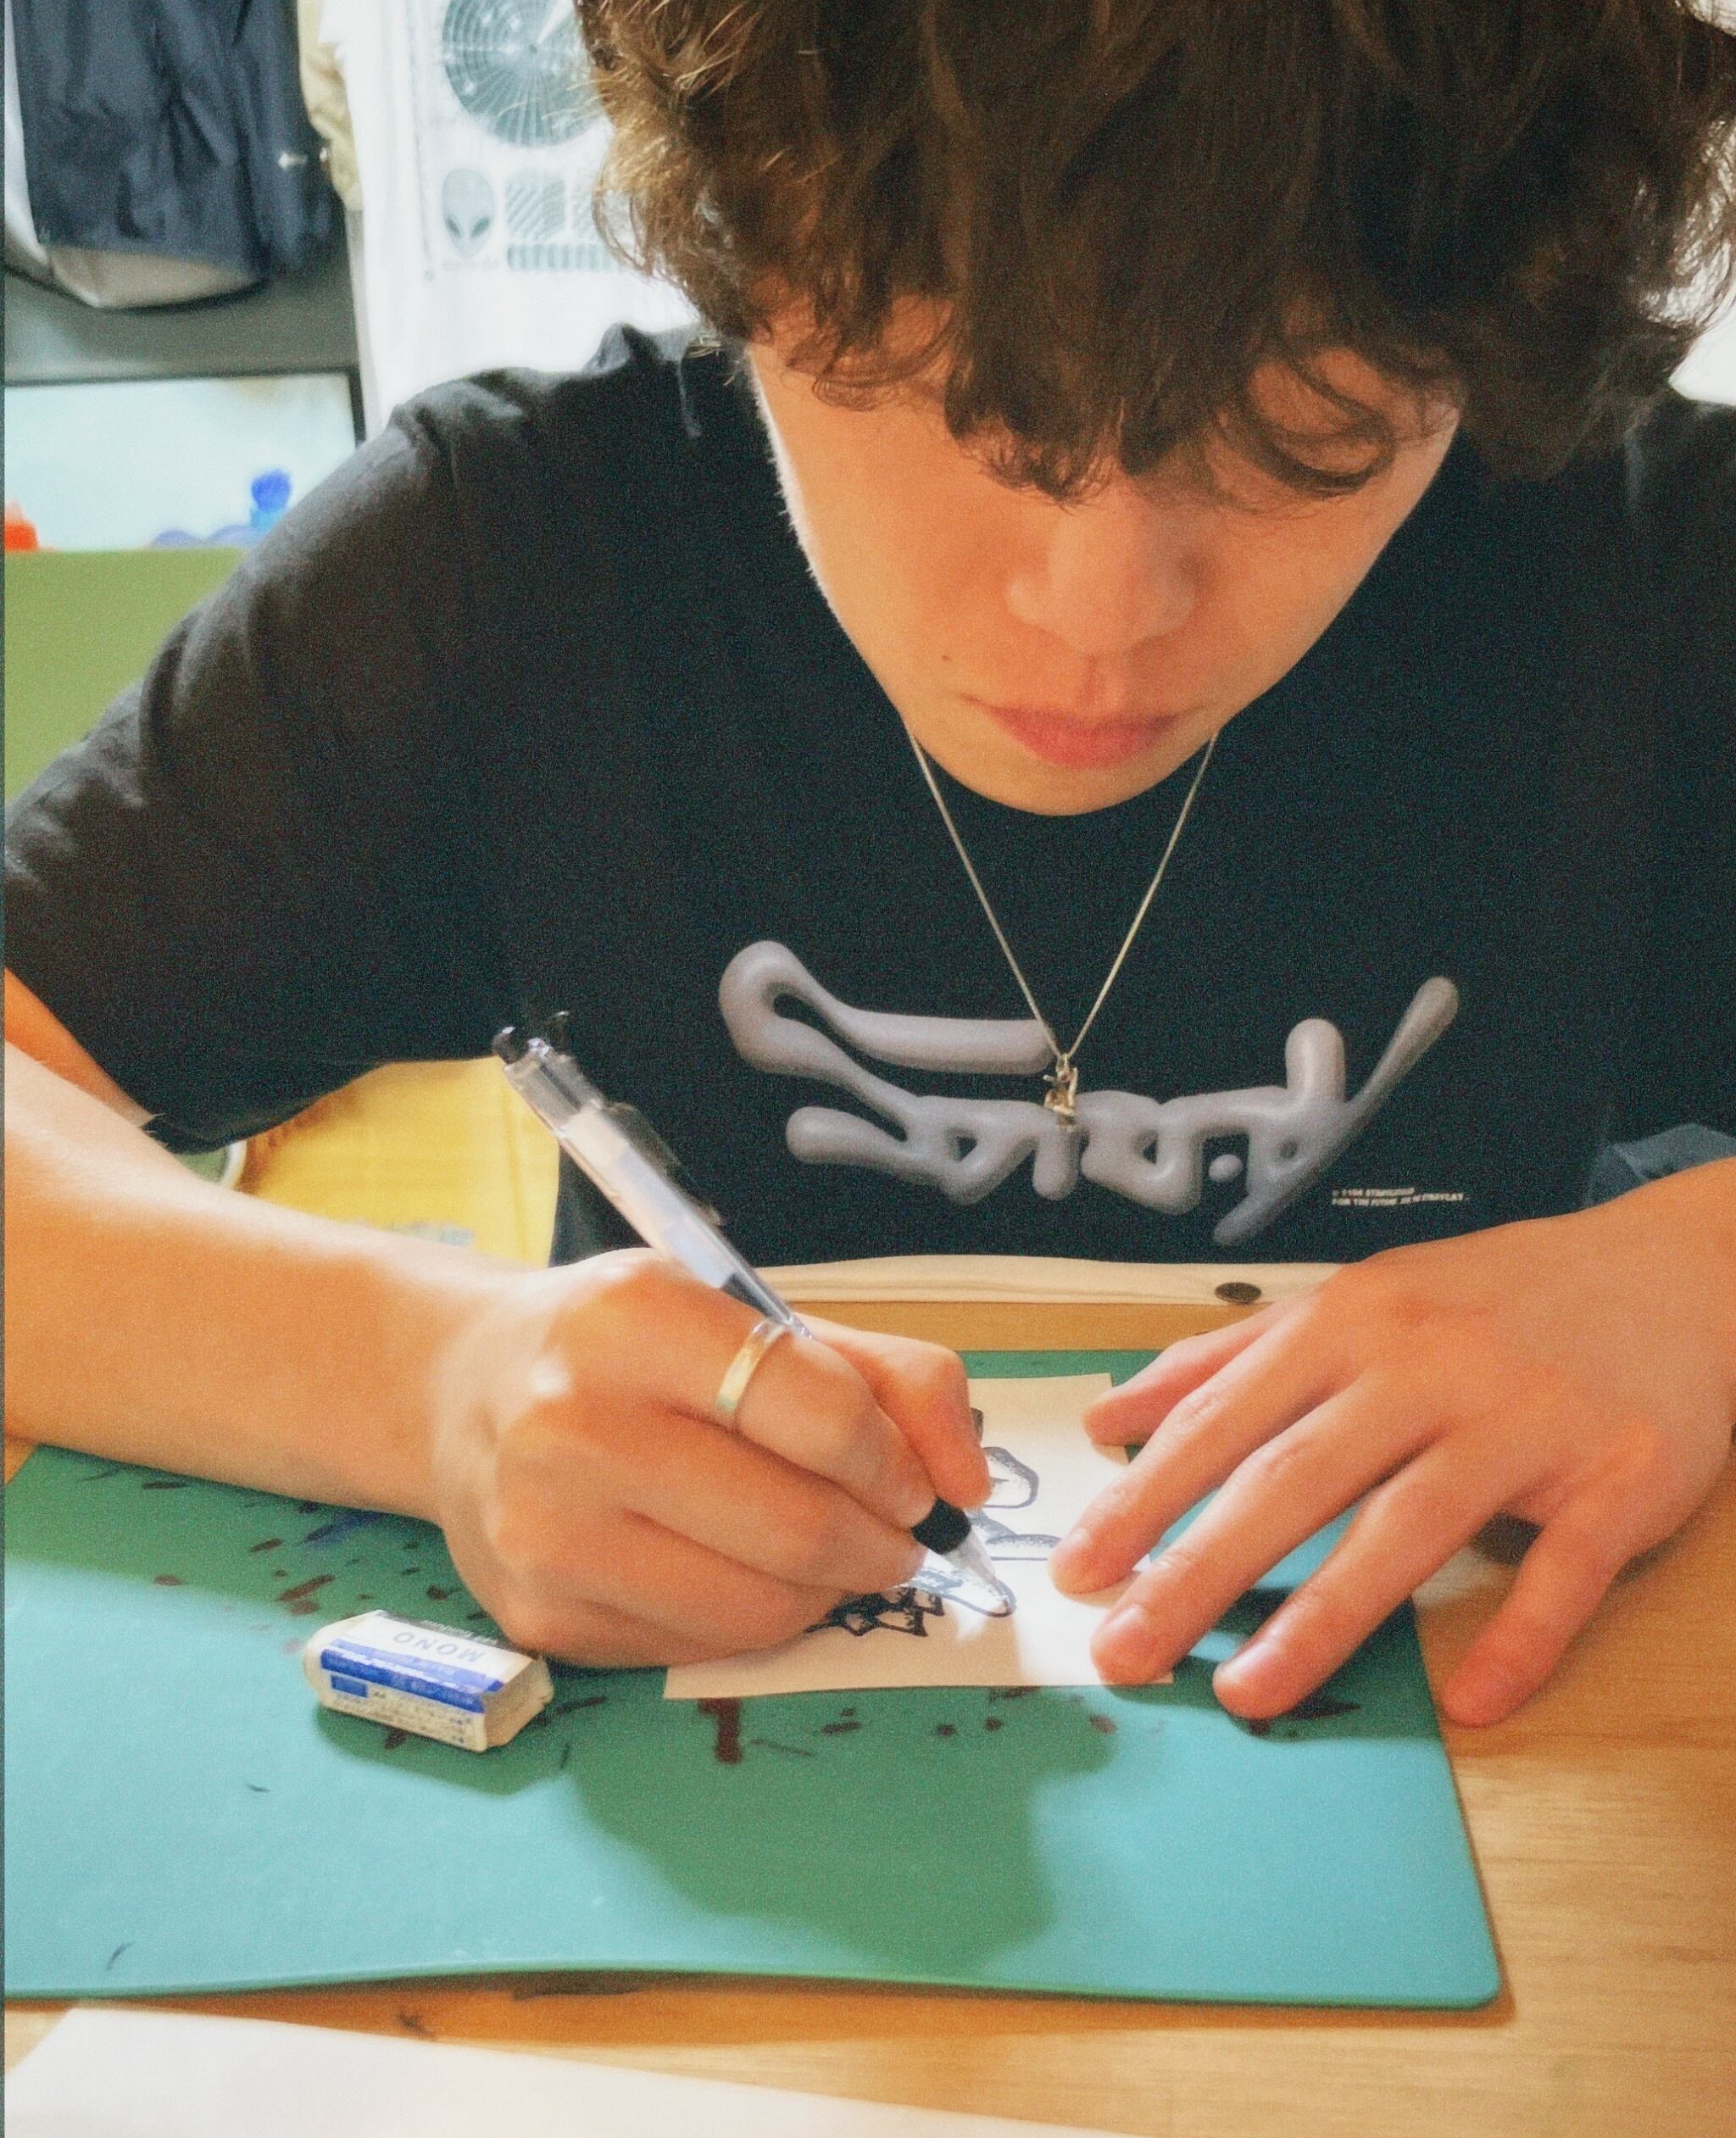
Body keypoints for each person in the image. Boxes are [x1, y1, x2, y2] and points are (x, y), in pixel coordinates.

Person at [6, 0, 1734, 1725]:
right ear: (751, 241)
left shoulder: (1657, 576)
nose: (1098, 612)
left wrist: (1704, 1276)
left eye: (1291, 439)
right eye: (969, 408)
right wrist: (433, 1381)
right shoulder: (512, 561)